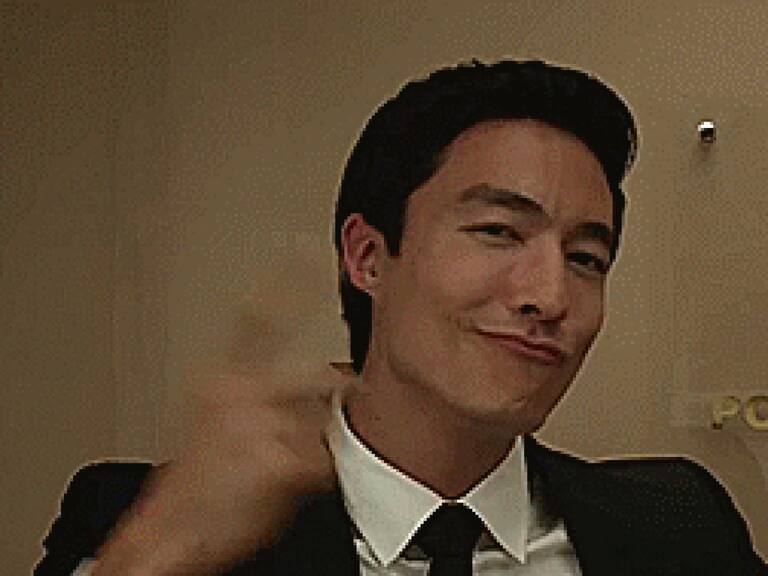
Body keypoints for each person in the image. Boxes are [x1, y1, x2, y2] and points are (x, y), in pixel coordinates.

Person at [35, 59, 767, 576]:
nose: (550, 297)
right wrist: (159, 553)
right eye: (498, 232)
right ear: (368, 256)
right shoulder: (147, 519)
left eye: (585, 258)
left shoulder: (680, 523)